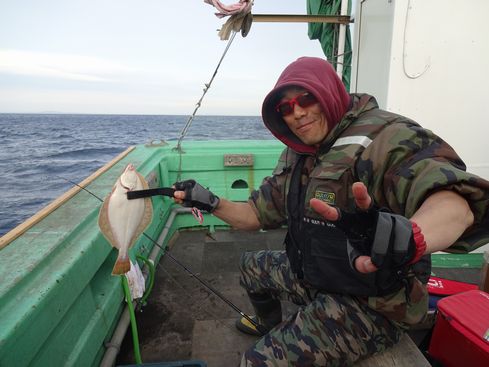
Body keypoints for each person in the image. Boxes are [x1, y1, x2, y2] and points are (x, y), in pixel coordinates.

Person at [173, 57, 489, 366]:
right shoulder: (297, 151)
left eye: (306, 99)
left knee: (256, 361)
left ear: (328, 91)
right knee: (249, 266)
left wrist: (413, 237)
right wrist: (209, 202)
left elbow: (452, 200)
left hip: (374, 303)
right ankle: (267, 323)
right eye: (285, 107)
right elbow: (255, 215)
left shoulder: (388, 137)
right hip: (317, 273)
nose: (297, 113)